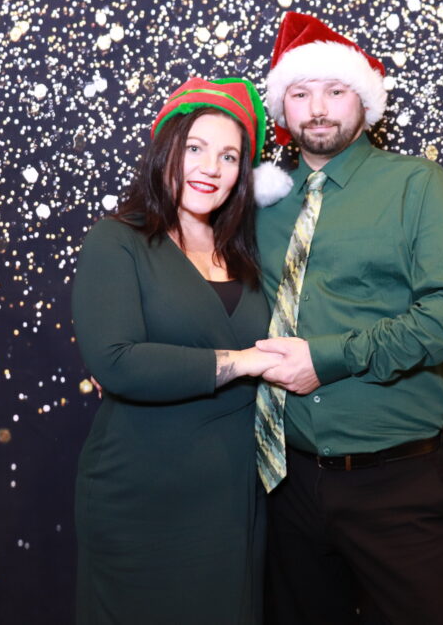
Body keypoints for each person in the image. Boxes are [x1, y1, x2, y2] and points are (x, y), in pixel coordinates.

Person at [254, 12, 443, 625]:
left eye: (336, 90)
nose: (318, 109)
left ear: (365, 101)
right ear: (282, 108)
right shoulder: (260, 203)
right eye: (300, 93)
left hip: (395, 483)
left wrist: (329, 358)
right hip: (286, 481)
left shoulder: (416, 184)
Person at [71, 76, 280, 625]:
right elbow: (117, 362)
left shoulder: (248, 255)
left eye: (229, 156)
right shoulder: (118, 240)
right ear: (165, 149)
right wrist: (243, 362)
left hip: (232, 500)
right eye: (195, 149)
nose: (211, 168)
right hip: (141, 496)